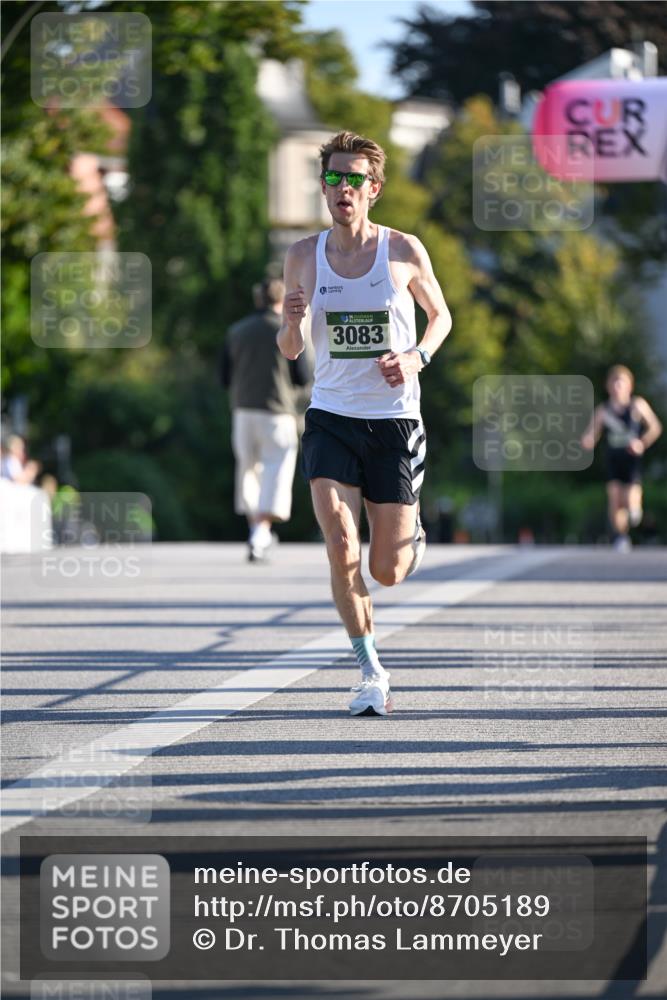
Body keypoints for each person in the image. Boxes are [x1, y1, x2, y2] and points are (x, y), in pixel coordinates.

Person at [277, 130, 452, 716]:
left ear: (373, 189)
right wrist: (293, 321)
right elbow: (288, 348)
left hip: (395, 420)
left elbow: (441, 317)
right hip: (331, 414)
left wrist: (415, 357)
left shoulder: (402, 251)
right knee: (340, 542)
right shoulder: (302, 254)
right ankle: (370, 670)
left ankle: (412, 535)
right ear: (323, 186)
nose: (342, 188)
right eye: (333, 178)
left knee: (389, 569)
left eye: (354, 179)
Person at [221, 276, 312, 562]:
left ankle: (255, 531)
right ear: (280, 299)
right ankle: (261, 531)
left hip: (243, 410)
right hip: (278, 411)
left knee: (248, 470)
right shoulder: (286, 331)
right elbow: (303, 377)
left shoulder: (236, 331)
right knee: (276, 470)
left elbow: (223, 376)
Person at [581, 365, 662, 551]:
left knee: (630, 498)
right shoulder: (604, 410)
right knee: (615, 499)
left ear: (629, 385)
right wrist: (587, 441)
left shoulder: (637, 405)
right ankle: (621, 536)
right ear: (609, 386)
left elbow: (655, 427)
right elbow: (592, 434)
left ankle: (636, 512)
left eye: (621, 382)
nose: (617, 386)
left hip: (631, 460)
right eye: (614, 382)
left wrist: (642, 442)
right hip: (613, 459)